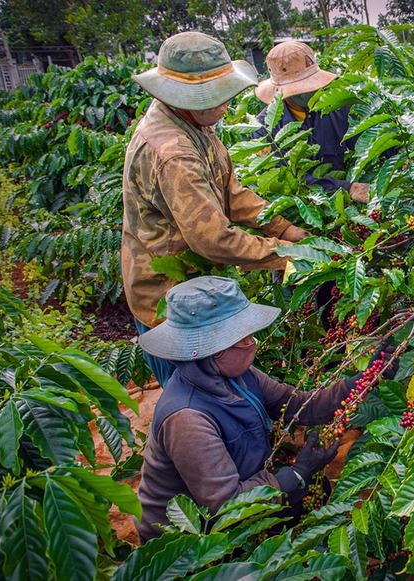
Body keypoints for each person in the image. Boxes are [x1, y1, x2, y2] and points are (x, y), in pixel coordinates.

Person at [134, 276, 398, 542]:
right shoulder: (187, 418)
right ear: (212, 350)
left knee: (314, 491)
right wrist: (296, 473)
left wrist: (363, 380)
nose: (252, 342)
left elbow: (298, 405)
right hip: (190, 536)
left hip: (240, 491)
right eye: (243, 337)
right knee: (298, 493)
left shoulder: (238, 376)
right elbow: (227, 504)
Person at [123, 32, 310, 388]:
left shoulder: (192, 122)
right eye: (219, 96)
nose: (227, 105)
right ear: (187, 97)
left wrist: (284, 228)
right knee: (197, 404)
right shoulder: (173, 153)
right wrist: (291, 255)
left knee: (227, 396)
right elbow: (213, 239)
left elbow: (231, 191)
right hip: (170, 298)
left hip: (198, 286)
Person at [251, 41, 371, 202]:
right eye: (306, 88)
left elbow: (368, 142)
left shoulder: (337, 108)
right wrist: (347, 188)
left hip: (343, 206)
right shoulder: (264, 128)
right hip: (296, 208)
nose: (315, 91)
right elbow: (281, 179)